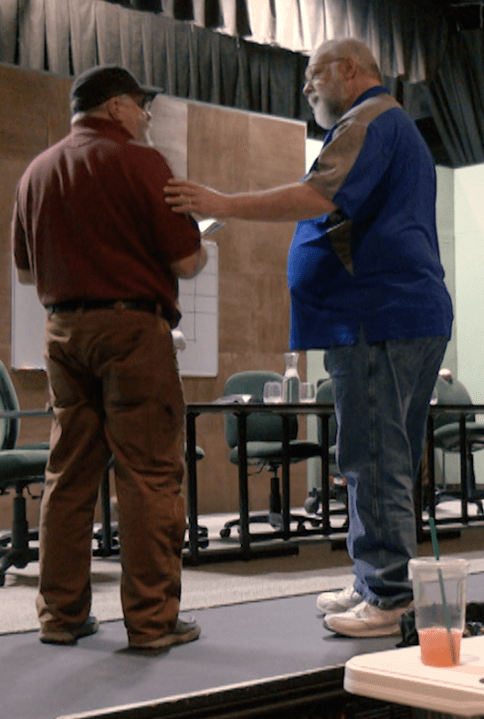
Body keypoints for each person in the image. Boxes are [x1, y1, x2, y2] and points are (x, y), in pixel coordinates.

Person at [164, 38, 453, 638]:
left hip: (379, 316)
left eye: (313, 74)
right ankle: (373, 578)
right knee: (374, 454)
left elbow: (315, 198)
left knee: (374, 457)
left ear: (349, 70)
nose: (306, 89)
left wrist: (223, 203)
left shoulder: (369, 119)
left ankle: (390, 595)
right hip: (386, 315)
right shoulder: (380, 124)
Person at [12, 64, 208, 649]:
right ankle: (152, 623)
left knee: (68, 475)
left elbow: (26, 272)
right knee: (148, 475)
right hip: (131, 331)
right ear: (118, 107)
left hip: (62, 334)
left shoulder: (35, 172)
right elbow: (186, 261)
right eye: (143, 106)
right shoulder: (141, 163)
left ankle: (61, 617)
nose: (147, 117)